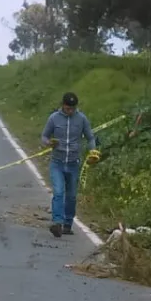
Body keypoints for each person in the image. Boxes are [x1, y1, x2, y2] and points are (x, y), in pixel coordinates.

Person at [41, 92, 99, 237]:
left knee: (71, 196)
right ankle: (57, 223)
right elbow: (44, 136)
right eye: (67, 108)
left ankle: (68, 224)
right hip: (57, 163)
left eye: (72, 109)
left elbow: (90, 137)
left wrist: (93, 151)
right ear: (63, 106)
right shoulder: (53, 118)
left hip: (73, 164)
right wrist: (48, 142)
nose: (70, 111)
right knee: (59, 192)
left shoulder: (82, 119)